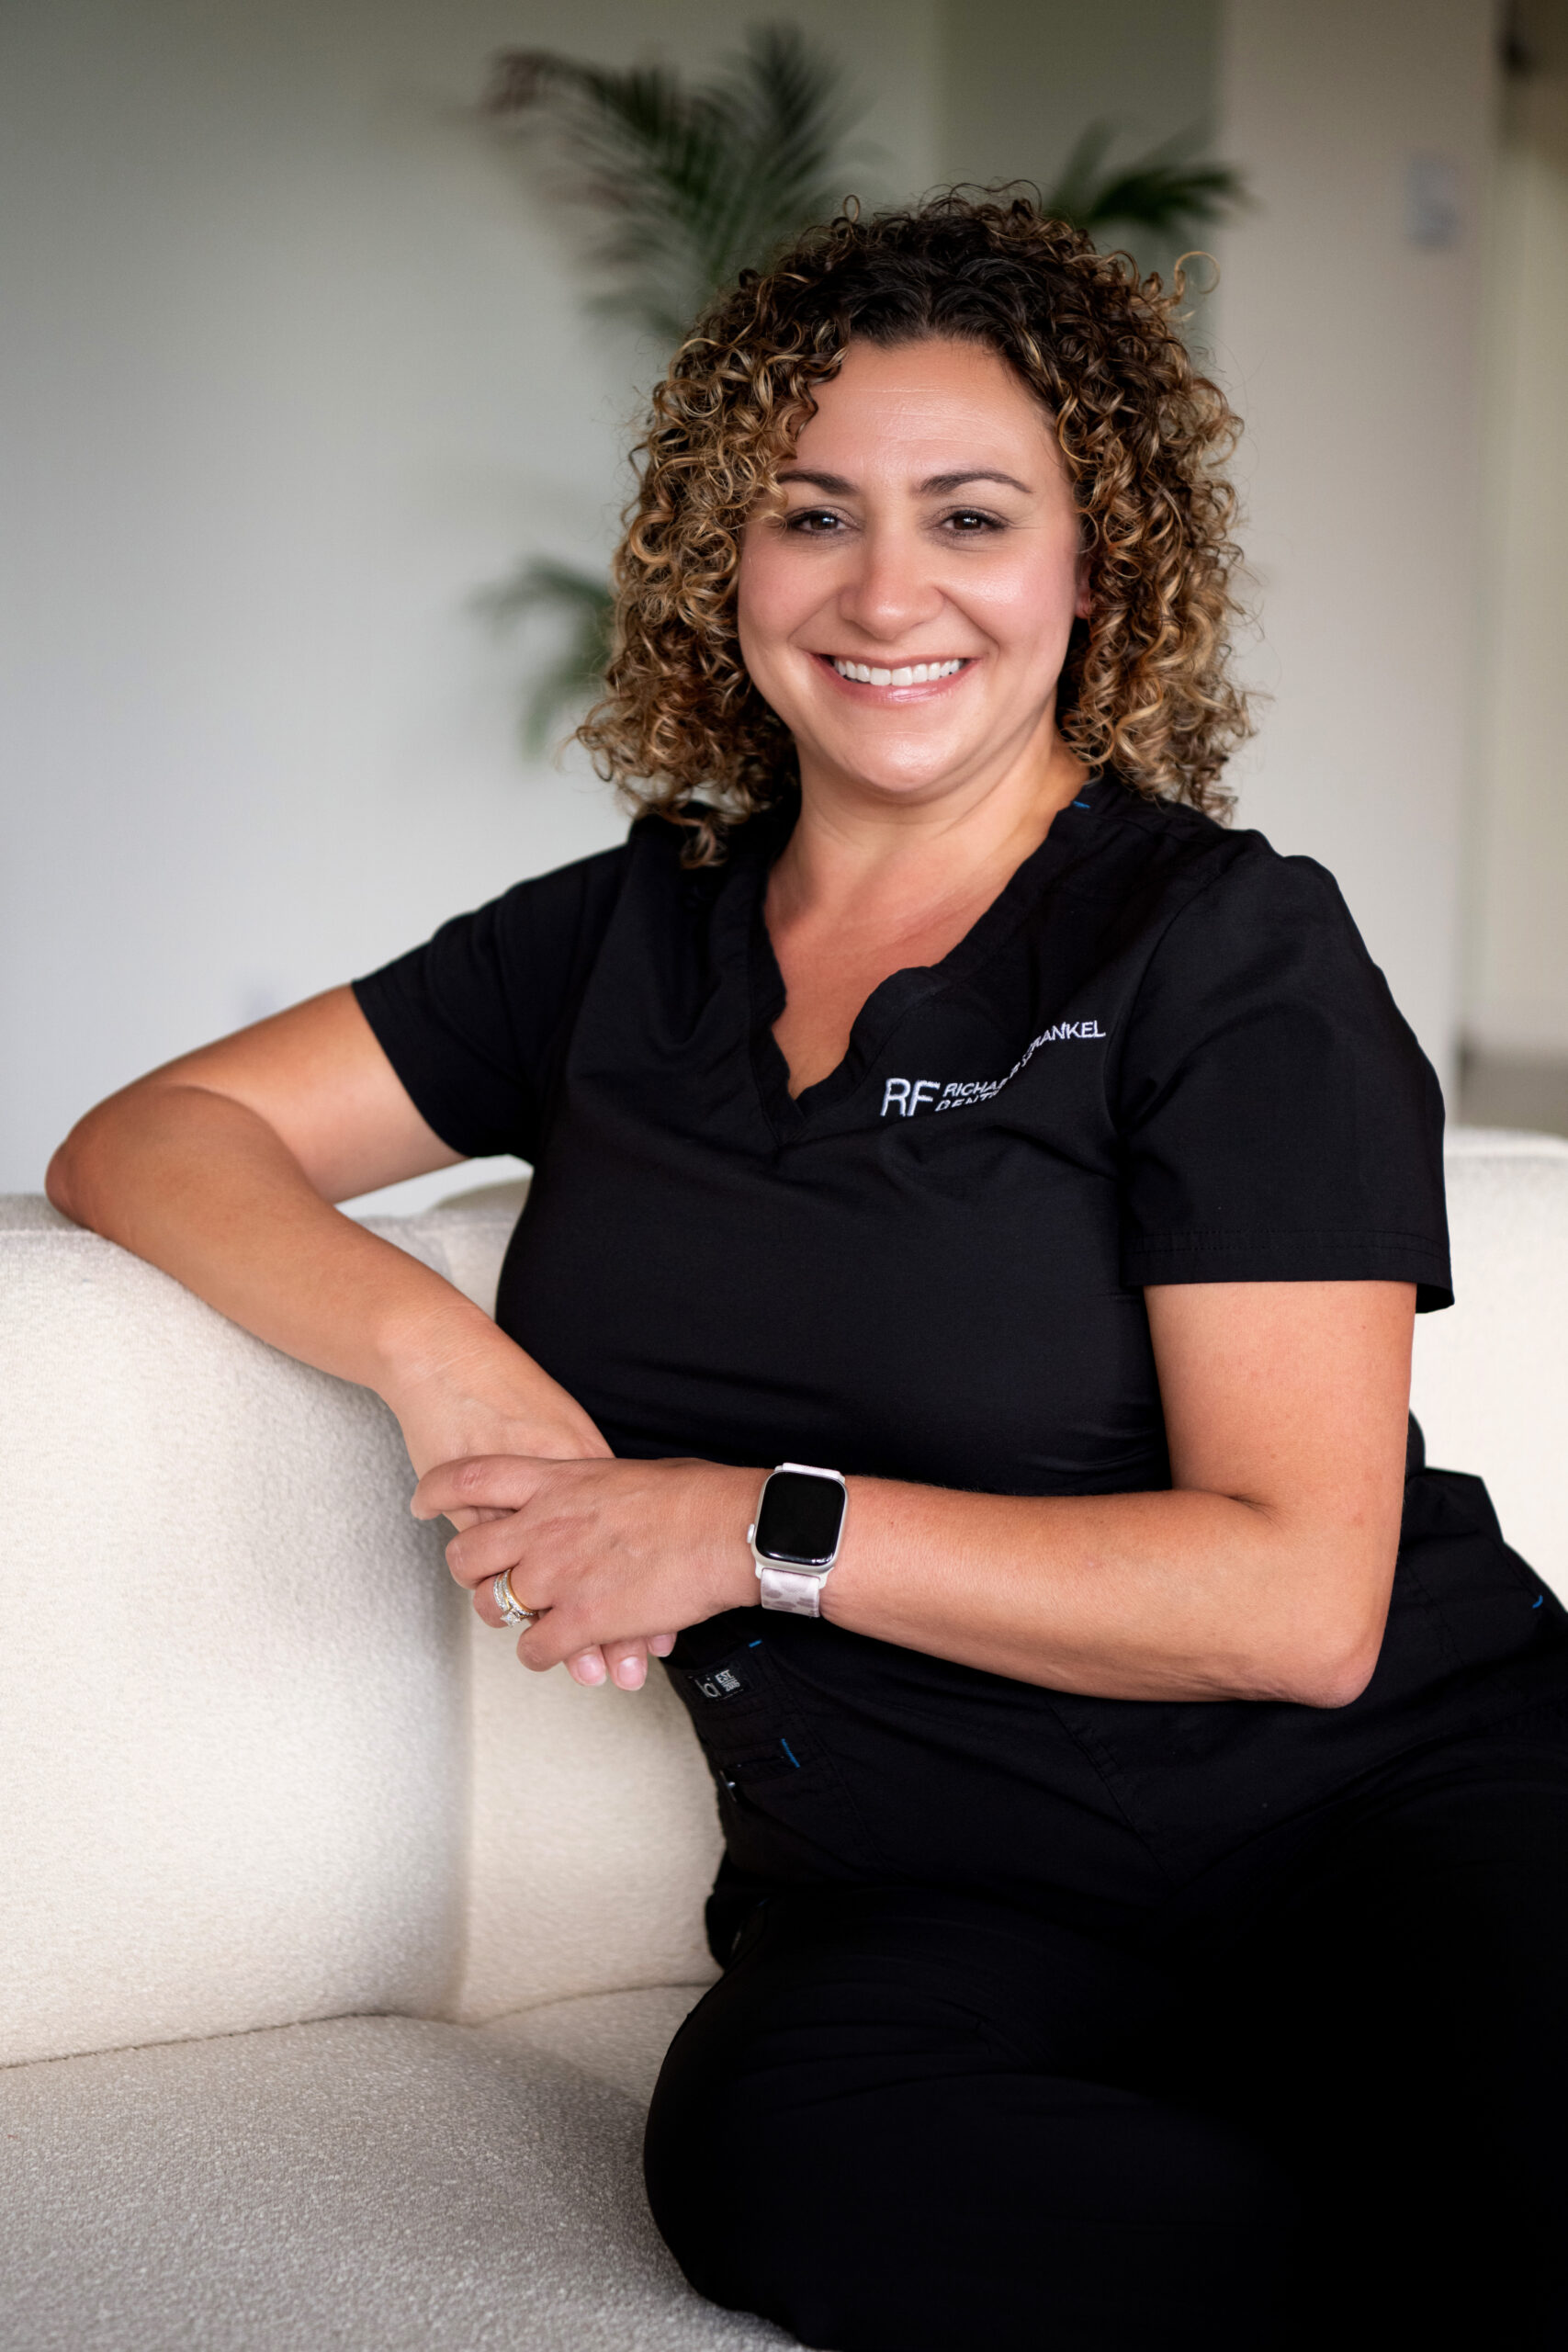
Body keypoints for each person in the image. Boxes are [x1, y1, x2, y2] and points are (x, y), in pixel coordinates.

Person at [49, 198, 1568, 2352]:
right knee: (787, 2164)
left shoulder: (1224, 950)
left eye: (970, 516)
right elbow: (150, 1137)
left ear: (1093, 564)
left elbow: (1296, 1604)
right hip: (935, 1878)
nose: (883, 591)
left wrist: (746, 1527)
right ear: (723, 558)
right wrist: (438, 1356)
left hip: (1379, 1798)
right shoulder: (621, 936)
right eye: (810, 513)